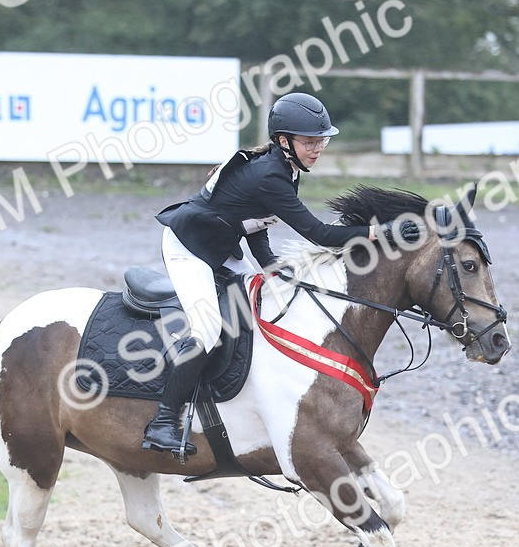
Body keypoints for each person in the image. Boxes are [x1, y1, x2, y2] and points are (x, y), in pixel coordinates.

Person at [141, 91, 413, 456]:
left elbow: (255, 225)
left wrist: (270, 268)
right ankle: (162, 422)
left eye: (322, 141)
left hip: (222, 245)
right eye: (310, 142)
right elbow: (321, 235)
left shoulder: (284, 167)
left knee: (264, 302)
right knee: (207, 330)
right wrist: (384, 233)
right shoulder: (270, 175)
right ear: (284, 141)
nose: (318, 149)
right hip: (189, 248)